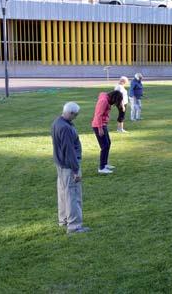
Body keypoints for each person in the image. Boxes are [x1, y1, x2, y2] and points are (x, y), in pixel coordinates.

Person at [51, 102, 90, 234]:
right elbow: (69, 151)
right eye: (76, 115)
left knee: (63, 193)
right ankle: (74, 226)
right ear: (71, 113)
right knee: (73, 195)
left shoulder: (57, 122)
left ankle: (64, 220)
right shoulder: (66, 128)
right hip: (68, 166)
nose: (76, 118)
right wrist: (75, 170)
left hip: (60, 164)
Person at [92, 90, 123, 174]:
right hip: (98, 125)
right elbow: (98, 115)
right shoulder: (104, 101)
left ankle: (105, 164)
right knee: (104, 146)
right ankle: (101, 168)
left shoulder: (105, 97)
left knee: (108, 143)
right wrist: (100, 128)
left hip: (103, 124)